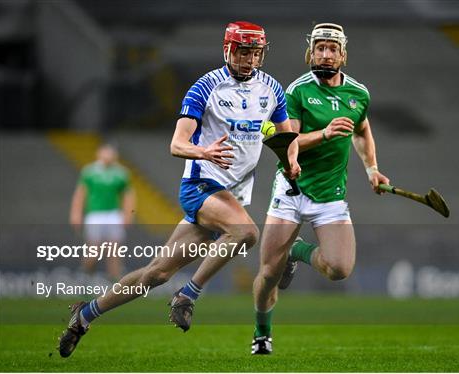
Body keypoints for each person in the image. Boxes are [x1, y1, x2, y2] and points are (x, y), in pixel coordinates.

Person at [58, 21, 300, 358]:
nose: (250, 59)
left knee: (155, 273)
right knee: (246, 232)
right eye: (243, 51)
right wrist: (203, 151)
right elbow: (177, 143)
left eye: (256, 52)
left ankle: (84, 315)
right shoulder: (204, 87)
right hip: (201, 185)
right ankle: (187, 295)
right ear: (228, 50)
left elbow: (284, 137)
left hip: (230, 197)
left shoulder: (271, 88)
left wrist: (291, 160)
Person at [251, 23, 390, 355]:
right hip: (291, 189)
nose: (324, 54)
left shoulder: (359, 94)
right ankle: (261, 333)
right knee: (269, 273)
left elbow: (361, 131)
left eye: (331, 49)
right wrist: (325, 134)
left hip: (331, 197)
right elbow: (289, 142)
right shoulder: (297, 91)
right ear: (309, 52)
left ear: (342, 55)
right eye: (319, 48)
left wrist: (372, 169)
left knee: (340, 269)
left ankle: (296, 251)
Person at [70, 144, 135, 281]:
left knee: (114, 252)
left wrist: (128, 214)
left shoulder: (121, 172)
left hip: (113, 215)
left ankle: (115, 286)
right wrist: (76, 213)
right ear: (99, 154)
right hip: (95, 215)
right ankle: (87, 277)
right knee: (93, 251)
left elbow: (128, 195)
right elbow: (80, 194)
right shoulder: (90, 171)